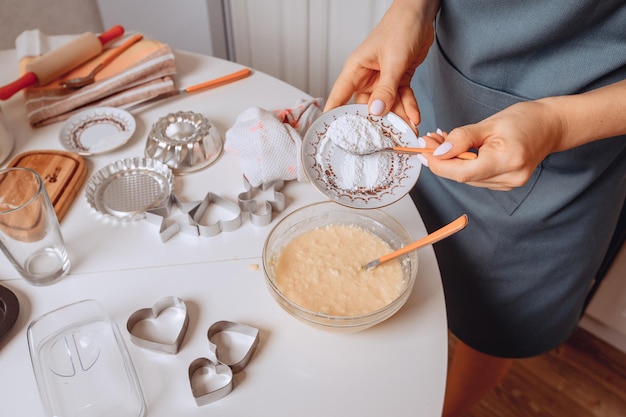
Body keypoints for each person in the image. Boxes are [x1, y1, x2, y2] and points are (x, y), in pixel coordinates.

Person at [324, 1, 626, 416]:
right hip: (444, 90)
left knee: (495, 322)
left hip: (574, 143)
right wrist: (411, 10)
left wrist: (558, 123)